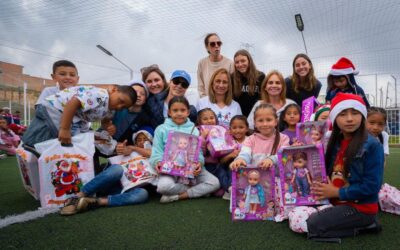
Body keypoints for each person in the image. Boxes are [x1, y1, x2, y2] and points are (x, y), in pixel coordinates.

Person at [307, 93, 384, 239]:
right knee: (298, 213)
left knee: (313, 225)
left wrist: (337, 192)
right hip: (334, 201)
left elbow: (372, 186)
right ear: (335, 118)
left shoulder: (372, 145)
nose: (349, 118)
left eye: (355, 113)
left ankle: (368, 226)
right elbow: (320, 168)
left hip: (359, 208)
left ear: (362, 115)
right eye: (342, 114)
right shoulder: (334, 141)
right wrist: (305, 147)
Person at [59, 130, 152, 216]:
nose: (142, 142)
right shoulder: (130, 150)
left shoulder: (156, 154)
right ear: (135, 142)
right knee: (117, 169)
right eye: (139, 140)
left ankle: (94, 202)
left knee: (143, 194)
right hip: (109, 183)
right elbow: (124, 150)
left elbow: (152, 153)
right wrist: (129, 148)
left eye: (145, 139)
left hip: (125, 190)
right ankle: (77, 197)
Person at [150, 96, 220, 203]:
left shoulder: (194, 130)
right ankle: (198, 190)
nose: (179, 113)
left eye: (182, 110)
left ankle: (178, 196)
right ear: (169, 112)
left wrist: (199, 164)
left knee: (215, 183)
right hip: (170, 170)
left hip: (191, 170)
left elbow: (199, 152)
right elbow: (156, 151)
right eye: (175, 110)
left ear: (188, 112)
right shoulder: (161, 129)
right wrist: (158, 162)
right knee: (162, 187)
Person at [22, 85, 137, 147]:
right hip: (55, 109)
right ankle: (31, 147)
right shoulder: (101, 95)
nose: (119, 106)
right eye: (120, 101)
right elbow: (74, 102)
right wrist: (65, 128)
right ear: (114, 89)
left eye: (123, 107)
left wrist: (108, 127)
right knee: (61, 139)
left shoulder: (110, 109)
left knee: (77, 141)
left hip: (69, 117)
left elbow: (105, 120)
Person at [230, 104, 290, 171]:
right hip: (255, 180)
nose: (265, 124)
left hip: (276, 179)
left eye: (269, 120)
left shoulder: (284, 139)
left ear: (276, 122)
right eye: (260, 121)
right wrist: (240, 159)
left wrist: (272, 160)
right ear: (255, 123)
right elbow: (245, 153)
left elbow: (284, 155)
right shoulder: (250, 140)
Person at [197, 33, 233, 98]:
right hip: (207, 104)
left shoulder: (230, 63)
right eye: (212, 44)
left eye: (219, 43)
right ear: (207, 47)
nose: (216, 46)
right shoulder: (202, 63)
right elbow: (201, 87)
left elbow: (232, 86)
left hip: (225, 104)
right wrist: (205, 103)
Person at [231, 49, 265, 117]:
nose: (240, 64)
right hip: (238, 116)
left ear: (249, 61)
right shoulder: (232, 77)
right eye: (237, 62)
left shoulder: (260, 76)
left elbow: (264, 98)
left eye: (243, 61)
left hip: (256, 115)